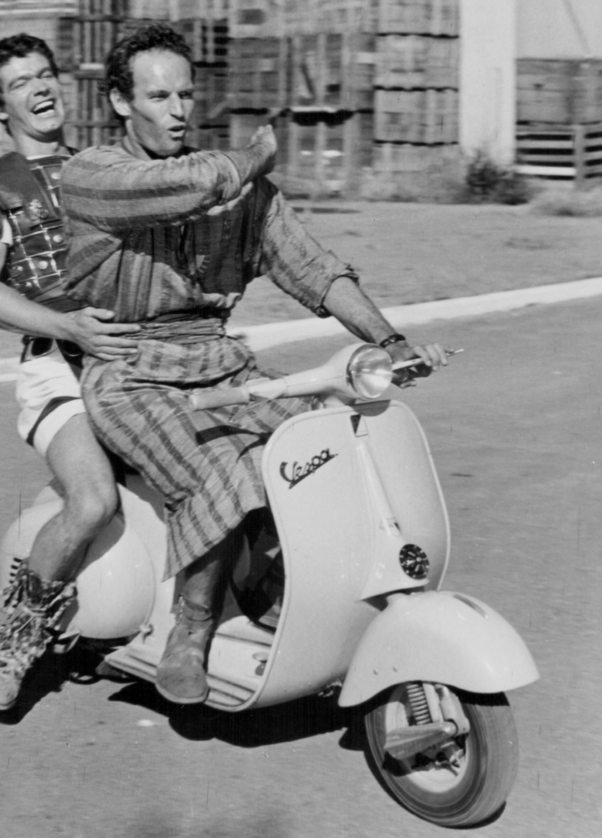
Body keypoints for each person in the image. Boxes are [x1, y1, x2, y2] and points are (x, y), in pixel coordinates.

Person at [59, 23, 449, 705]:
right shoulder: (95, 177)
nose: (178, 108)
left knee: (326, 433)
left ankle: (283, 577)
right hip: (129, 370)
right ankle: (194, 625)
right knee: (226, 467)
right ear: (121, 102)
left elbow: (314, 270)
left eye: (185, 92)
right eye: (158, 96)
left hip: (221, 359)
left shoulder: (243, 191)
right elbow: (189, 187)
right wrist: (254, 156)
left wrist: (390, 341)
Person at [0, 32, 279, 711]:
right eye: (19, 83)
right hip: (59, 367)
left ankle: (236, 603)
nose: (41, 89)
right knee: (92, 499)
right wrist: (67, 325)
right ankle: (20, 635)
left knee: (241, 453)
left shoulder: (105, 164)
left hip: (143, 355)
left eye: (46, 75)